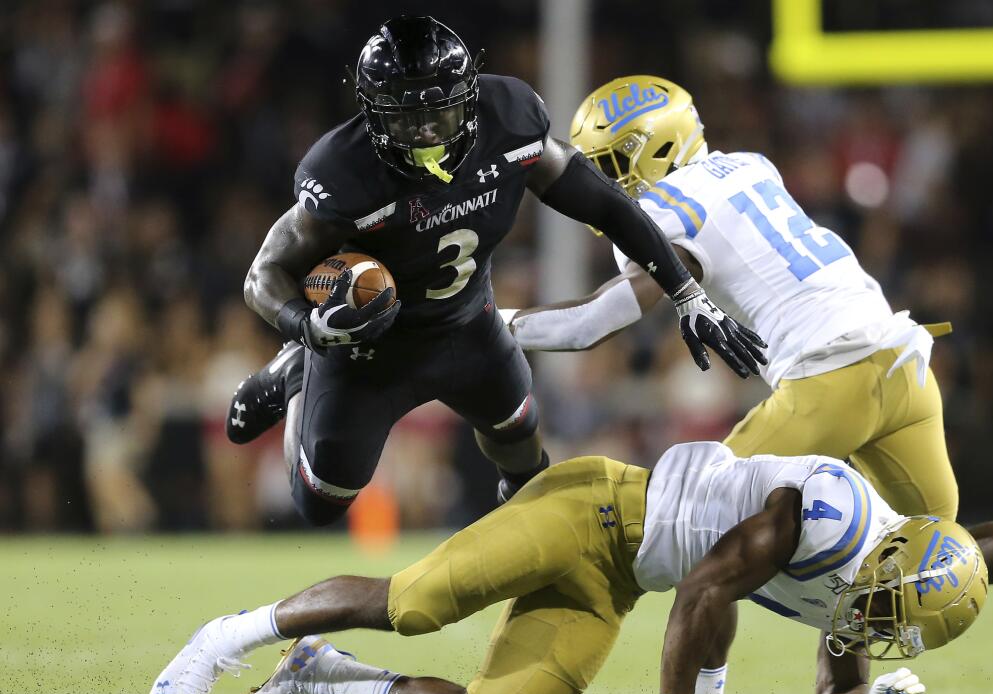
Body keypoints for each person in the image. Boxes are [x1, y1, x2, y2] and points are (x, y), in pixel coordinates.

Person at [500, 75, 993, 694]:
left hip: (827, 378)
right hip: (902, 363)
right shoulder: (748, 164)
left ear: (651, 150)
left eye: (606, 164)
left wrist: (492, 326)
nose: (597, 183)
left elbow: (587, 326)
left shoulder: (665, 206)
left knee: (704, 529)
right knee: (922, 550)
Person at [150, 441, 989, 694]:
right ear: (897, 558)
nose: (874, 624)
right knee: (415, 604)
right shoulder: (830, 510)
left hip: (617, 580)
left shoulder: (872, 587)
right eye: (889, 609)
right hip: (593, 509)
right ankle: (229, 635)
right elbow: (706, 589)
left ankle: (320, 676)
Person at [225, 23, 764, 525]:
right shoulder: (342, 173)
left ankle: (521, 571)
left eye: (438, 113)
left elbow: (605, 204)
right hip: (371, 349)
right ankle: (295, 374)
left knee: (526, 459)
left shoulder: (508, 117)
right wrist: (308, 329)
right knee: (319, 501)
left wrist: (686, 290)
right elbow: (264, 276)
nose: (425, 133)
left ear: (469, 95)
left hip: (465, 323)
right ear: (371, 113)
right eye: (405, 118)